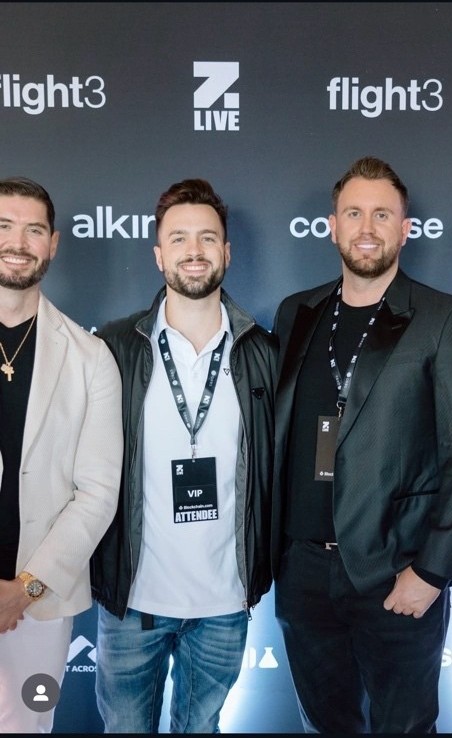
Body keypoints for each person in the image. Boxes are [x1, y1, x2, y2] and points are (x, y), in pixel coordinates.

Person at [271, 155, 452, 733]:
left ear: (405, 228)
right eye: (353, 213)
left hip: (396, 574)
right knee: (325, 725)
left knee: (405, 727)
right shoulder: (297, 312)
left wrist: (432, 572)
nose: (366, 228)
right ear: (332, 226)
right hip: (303, 572)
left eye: (381, 214)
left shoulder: (446, 319)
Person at [90, 178, 277, 733]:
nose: (194, 251)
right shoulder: (115, 347)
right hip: (134, 601)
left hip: (224, 603)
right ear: (158, 255)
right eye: (179, 239)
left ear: (227, 252)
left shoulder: (262, 352)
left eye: (207, 238)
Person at [0, 177, 123, 732]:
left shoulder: (90, 357)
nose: (18, 242)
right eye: (4, 226)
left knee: (30, 724)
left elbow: (97, 493)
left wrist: (24, 590)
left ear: (52, 243)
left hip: (40, 604)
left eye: (33, 230)